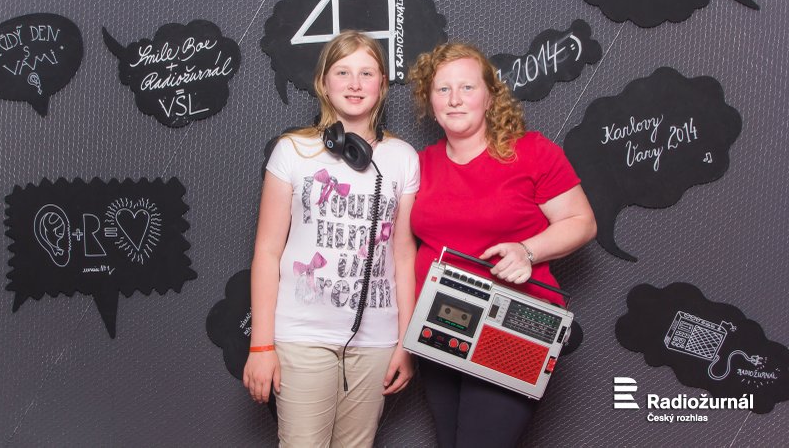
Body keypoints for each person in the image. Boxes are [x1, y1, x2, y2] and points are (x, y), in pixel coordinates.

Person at [408, 42, 597, 448]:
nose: (455, 99)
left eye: (467, 87)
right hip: (439, 325)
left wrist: (527, 250)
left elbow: (581, 222)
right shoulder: (420, 164)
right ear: (429, 100)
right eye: (443, 89)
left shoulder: (532, 152)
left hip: (512, 325)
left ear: (490, 97)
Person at [242, 31, 419, 447]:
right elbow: (267, 251)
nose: (355, 84)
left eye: (367, 73)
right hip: (302, 336)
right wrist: (261, 345)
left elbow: (403, 257)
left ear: (382, 84)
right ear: (324, 82)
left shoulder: (403, 158)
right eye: (343, 72)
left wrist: (405, 343)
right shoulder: (292, 151)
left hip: (376, 341)